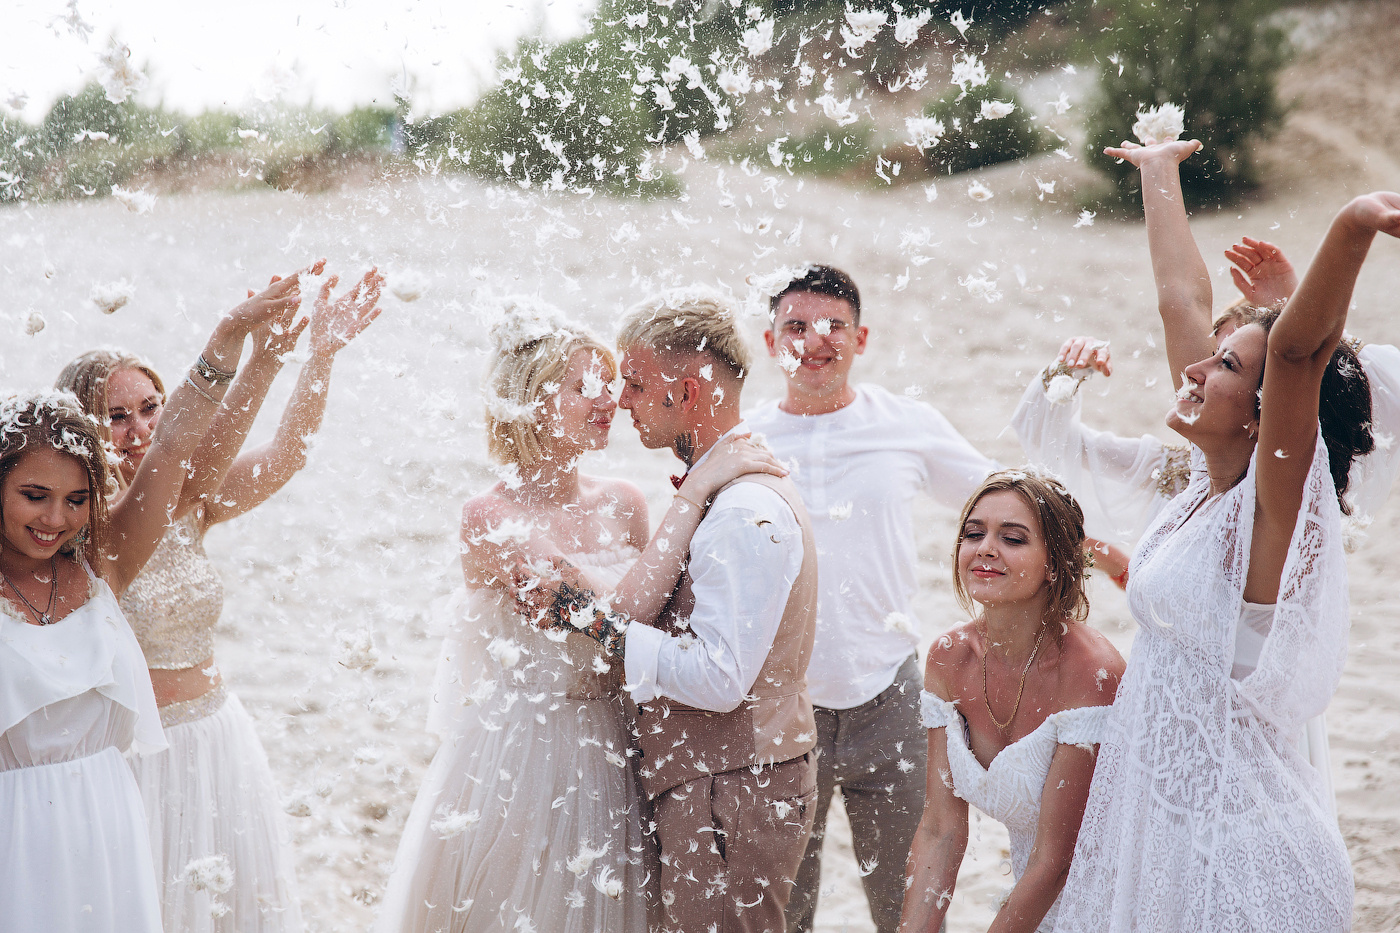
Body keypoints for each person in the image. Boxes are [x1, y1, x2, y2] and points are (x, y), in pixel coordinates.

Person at [1051, 141, 1396, 931]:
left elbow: (1297, 354)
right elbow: (1180, 301)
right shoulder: (1202, 489)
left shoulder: (1268, 515)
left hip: (1248, 856)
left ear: (1263, 415)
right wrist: (1158, 174)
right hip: (1170, 837)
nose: (1198, 368)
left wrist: (1354, 224)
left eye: (1227, 367)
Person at [373, 299, 785, 933]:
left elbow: (652, 618)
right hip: (528, 750)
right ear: (531, 401)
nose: (609, 400)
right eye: (583, 386)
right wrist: (699, 490)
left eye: (611, 383)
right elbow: (609, 610)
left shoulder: (624, 501)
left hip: (619, 738)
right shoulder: (490, 515)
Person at [54, 268, 383, 931]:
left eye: (151, 407)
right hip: (136, 754)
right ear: (82, 428)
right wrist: (246, 348)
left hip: (222, 737)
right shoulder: (76, 527)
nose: (139, 428)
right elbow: (182, 452)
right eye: (116, 416)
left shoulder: (187, 503)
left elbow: (287, 454)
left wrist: (313, 355)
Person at [0, 273, 304, 932]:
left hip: (114, 808)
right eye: (33, 495)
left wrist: (234, 342)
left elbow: (178, 447)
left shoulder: (103, 558)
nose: (54, 518)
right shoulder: (83, 552)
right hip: (22, 824)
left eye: (75, 500)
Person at [531, 289, 821, 933]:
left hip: (733, 792)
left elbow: (719, 679)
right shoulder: (724, 491)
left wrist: (595, 624)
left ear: (688, 393)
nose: (621, 400)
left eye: (636, 384)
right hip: (723, 785)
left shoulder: (744, 512)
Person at [741, 265, 996, 933]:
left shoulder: (906, 424)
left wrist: (1105, 556)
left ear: (861, 338)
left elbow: (1005, 502)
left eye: (834, 326)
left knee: (907, 906)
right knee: (782, 911)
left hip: (892, 697)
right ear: (770, 342)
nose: (815, 340)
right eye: (796, 326)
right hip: (778, 704)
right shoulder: (743, 441)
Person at [899, 470, 1124, 933]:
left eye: (1013, 538)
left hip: (1117, 894)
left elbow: (1057, 861)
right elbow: (941, 829)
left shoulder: (1091, 672)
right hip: (1033, 889)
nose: (985, 548)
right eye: (973, 533)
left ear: (1055, 563)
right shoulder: (949, 658)